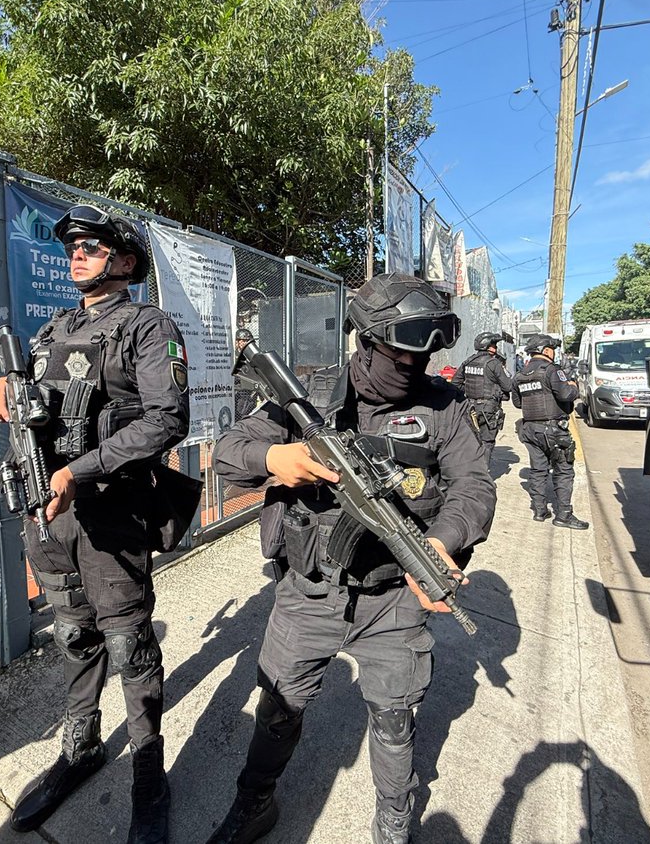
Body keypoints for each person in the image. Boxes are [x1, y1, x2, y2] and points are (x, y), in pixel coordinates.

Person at [208, 273, 497, 844]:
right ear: (364, 339)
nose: (415, 363)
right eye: (401, 348)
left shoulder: (443, 407)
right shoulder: (307, 395)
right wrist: (275, 455)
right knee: (278, 707)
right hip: (307, 592)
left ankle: (394, 818)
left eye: (428, 350)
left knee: (394, 720)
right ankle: (254, 802)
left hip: (392, 596)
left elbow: (474, 488)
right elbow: (225, 453)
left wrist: (442, 542)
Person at [0, 205, 190, 842]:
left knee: (130, 643)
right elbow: (39, 408)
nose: (78, 255)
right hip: (49, 512)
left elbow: (165, 419)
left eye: (94, 248)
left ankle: (149, 774)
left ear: (125, 263)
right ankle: (81, 747)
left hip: (112, 508)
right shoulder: (52, 330)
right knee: (73, 632)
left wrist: (81, 473)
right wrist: (4, 394)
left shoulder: (148, 326)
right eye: (74, 247)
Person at [509, 334, 589, 529]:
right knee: (563, 471)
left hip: (530, 429)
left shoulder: (520, 375)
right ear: (546, 351)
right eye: (552, 349)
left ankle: (539, 510)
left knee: (538, 470)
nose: (554, 352)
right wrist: (573, 386)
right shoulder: (552, 370)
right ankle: (563, 515)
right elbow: (566, 394)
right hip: (554, 431)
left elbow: (517, 403)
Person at [452, 331, 516, 472]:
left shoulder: (468, 361)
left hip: (470, 408)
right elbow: (508, 386)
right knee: (487, 442)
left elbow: (455, 383)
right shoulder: (494, 363)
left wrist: (469, 390)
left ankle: (468, 472)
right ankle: (483, 475)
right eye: (494, 344)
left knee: (471, 441)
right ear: (489, 346)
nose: (496, 348)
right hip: (488, 409)